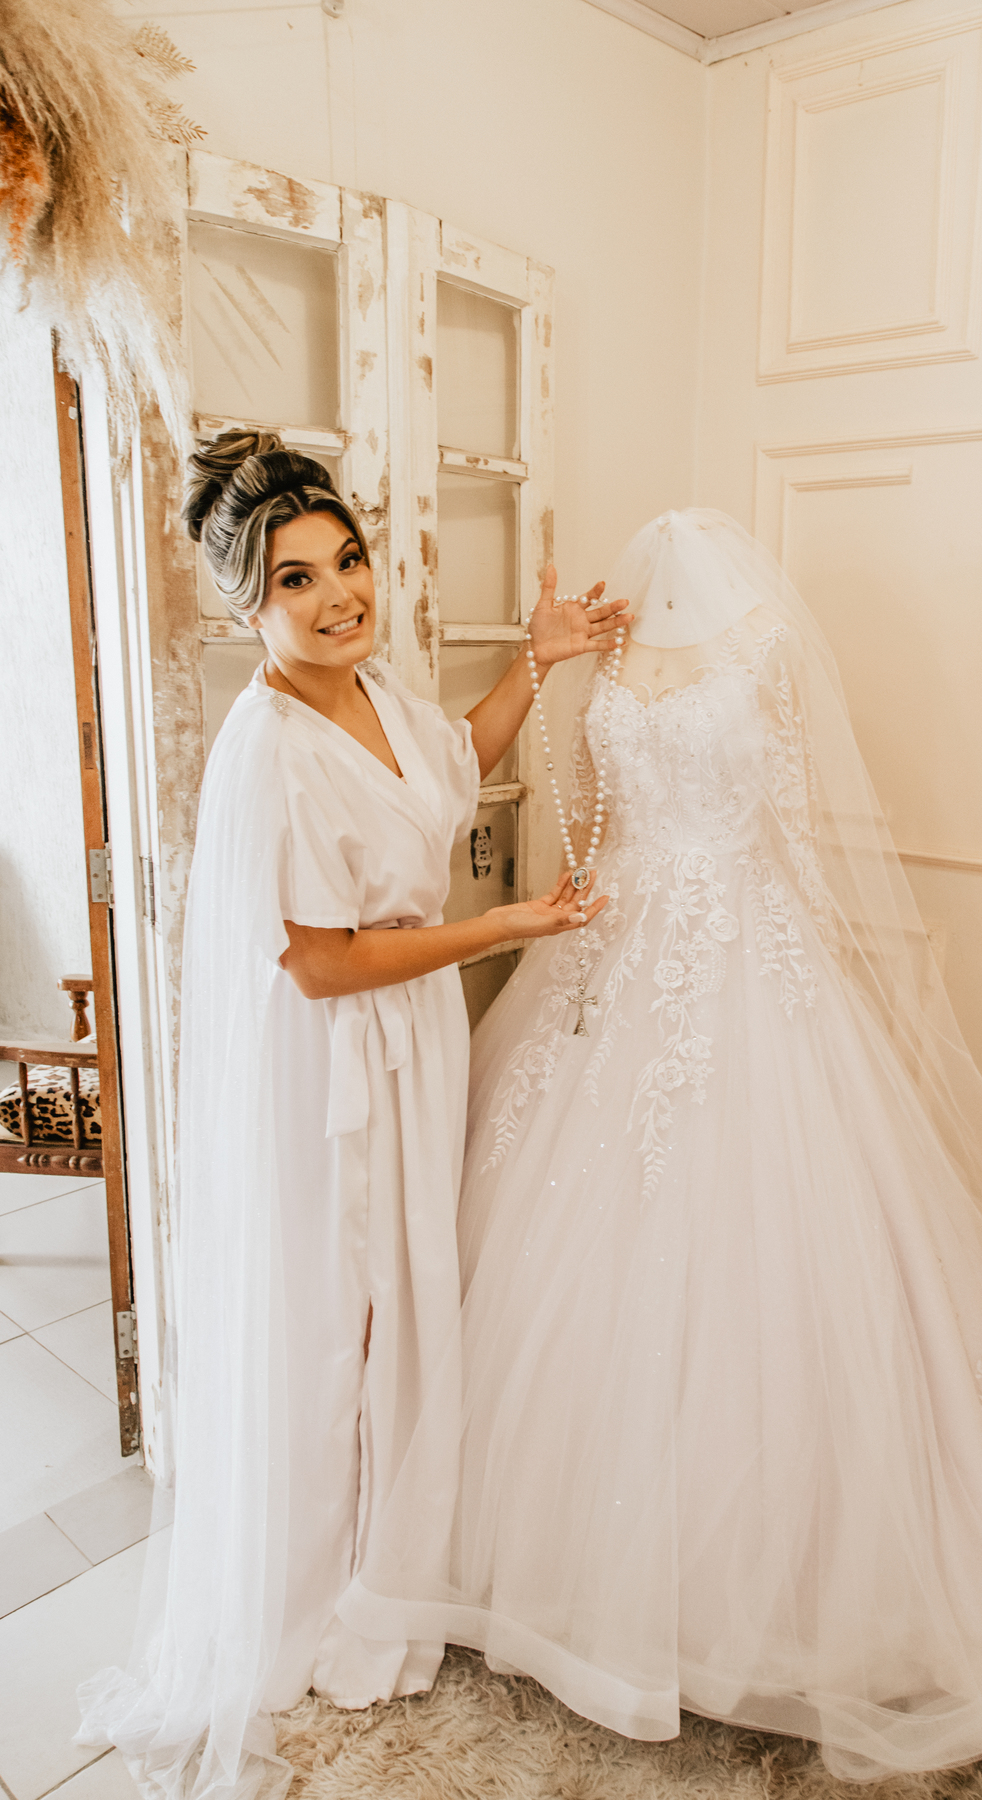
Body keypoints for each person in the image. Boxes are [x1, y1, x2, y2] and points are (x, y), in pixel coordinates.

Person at [325, 509, 982, 1785]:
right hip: (614, 931)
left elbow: (791, 821)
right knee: (559, 1222)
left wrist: (807, 959)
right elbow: (591, 814)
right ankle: (548, 1556)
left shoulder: (763, 648)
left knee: (767, 1236)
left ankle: (762, 1582)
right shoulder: (609, 654)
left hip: (744, 940)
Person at [77, 431, 629, 1800]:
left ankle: (396, 1554)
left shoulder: (376, 689)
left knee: (401, 1292)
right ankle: (325, 1590)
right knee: (340, 1312)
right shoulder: (268, 750)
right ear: (245, 610)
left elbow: (449, 767)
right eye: (295, 580)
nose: (338, 596)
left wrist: (539, 659)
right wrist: (501, 925)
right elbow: (321, 962)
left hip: (408, 1037)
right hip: (334, 1058)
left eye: (347, 560)